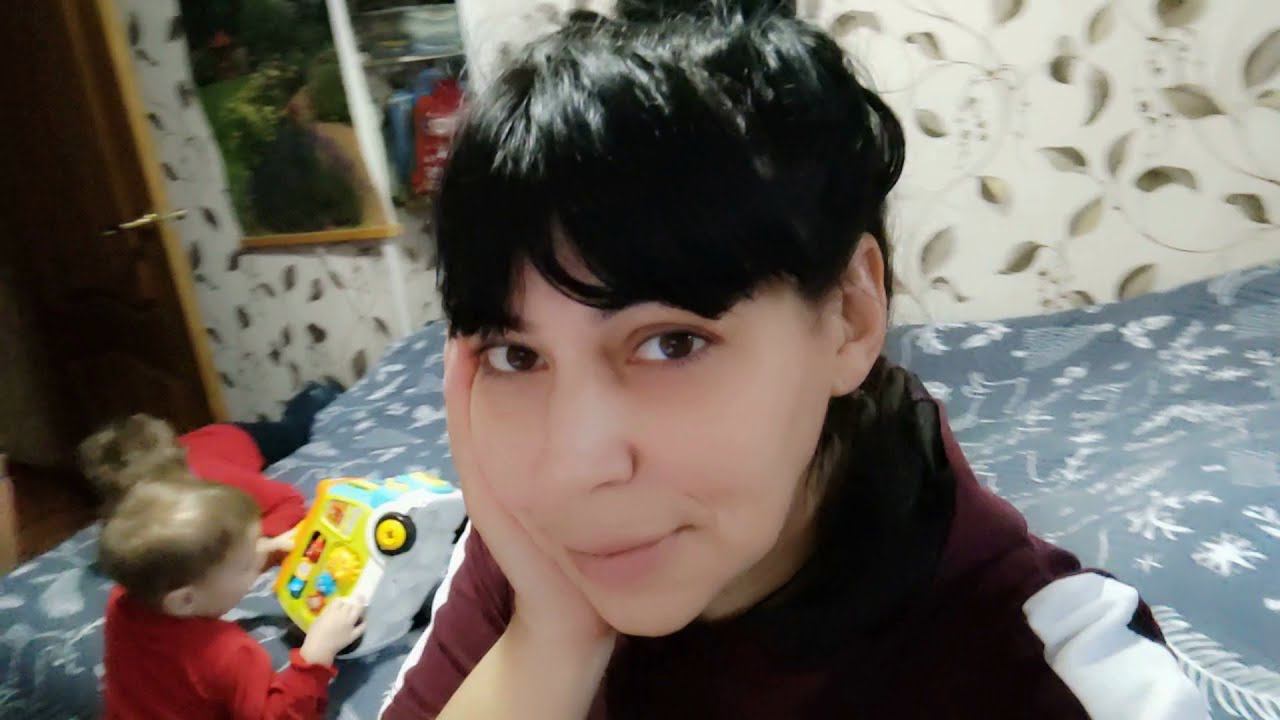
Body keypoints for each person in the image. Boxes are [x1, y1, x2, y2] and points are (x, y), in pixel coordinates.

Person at [382, 1, 1207, 718]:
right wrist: (551, 639)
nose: (570, 467)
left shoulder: (1043, 671)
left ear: (849, 316)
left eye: (672, 343)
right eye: (516, 355)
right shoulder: (531, 545)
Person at [99, 479, 365, 719]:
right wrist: (317, 655)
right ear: (185, 600)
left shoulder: (123, 599)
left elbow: (207, 590)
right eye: (245, 564)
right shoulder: (232, 654)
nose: (257, 557)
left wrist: (267, 551)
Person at [78, 381, 341, 554]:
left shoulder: (216, 480)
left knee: (293, 432)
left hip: (237, 438)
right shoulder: (122, 509)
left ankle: (316, 394)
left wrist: (257, 539)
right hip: (198, 443)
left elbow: (289, 500)